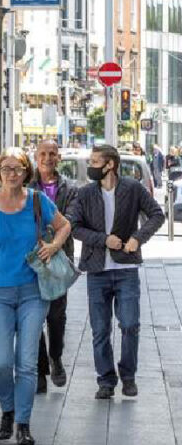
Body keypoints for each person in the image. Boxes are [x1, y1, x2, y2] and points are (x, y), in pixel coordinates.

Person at [0, 148, 71, 445]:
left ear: (26, 171)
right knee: (1, 362)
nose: (12, 174)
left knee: (27, 362)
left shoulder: (37, 200)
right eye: (6, 168)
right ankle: (7, 409)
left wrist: (55, 245)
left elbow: (64, 225)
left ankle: (22, 423)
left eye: (18, 168)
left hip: (33, 291)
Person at [70, 145, 164, 399]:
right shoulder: (86, 193)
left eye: (95, 161)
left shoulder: (132, 188)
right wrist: (103, 240)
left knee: (130, 324)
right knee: (100, 330)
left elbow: (157, 214)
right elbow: (74, 226)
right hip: (97, 270)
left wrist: (137, 238)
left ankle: (128, 376)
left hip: (126, 269)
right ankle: (106, 380)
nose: (91, 165)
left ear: (110, 164)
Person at [28, 140, 79, 394]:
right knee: (34, 316)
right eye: (43, 154)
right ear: (36, 157)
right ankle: (39, 370)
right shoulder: (26, 186)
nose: (48, 158)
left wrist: (54, 244)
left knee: (56, 316)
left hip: (59, 260)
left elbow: (70, 221)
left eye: (52, 154)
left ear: (58, 158)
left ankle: (55, 356)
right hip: (31, 261)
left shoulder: (70, 188)